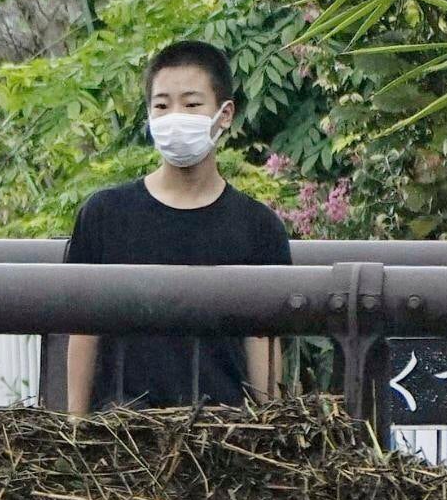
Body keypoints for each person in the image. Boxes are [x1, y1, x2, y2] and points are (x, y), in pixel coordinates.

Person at [59, 40, 290, 414]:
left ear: (225, 113)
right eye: (162, 105)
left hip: (224, 440)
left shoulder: (259, 227)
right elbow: (83, 332)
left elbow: (263, 345)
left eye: (192, 104)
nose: (175, 116)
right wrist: (76, 427)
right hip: (122, 440)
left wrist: (268, 430)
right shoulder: (103, 215)